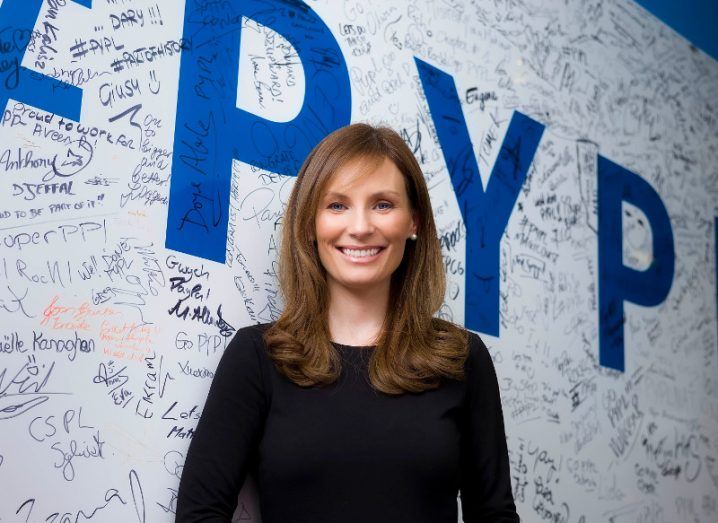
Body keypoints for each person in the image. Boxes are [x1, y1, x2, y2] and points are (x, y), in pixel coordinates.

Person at [175, 123, 519, 522]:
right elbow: (200, 514)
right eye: (337, 205)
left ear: (414, 222)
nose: (359, 227)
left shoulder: (460, 358)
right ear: (309, 223)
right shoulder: (259, 357)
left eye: (383, 204)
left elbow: (494, 514)